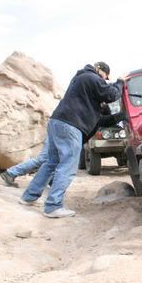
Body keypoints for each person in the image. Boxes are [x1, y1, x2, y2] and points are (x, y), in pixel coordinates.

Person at [19, 62, 123, 218]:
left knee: (51, 162)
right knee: (67, 165)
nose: (105, 80)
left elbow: (99, 120)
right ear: (99, 70)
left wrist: (121, 117)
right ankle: (53, 206)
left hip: (58, 122)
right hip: (70, 125)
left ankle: (29, 197)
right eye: (105, 77)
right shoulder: (90, 77)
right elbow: (111, 95)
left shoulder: (81, 81)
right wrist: (120, 82)